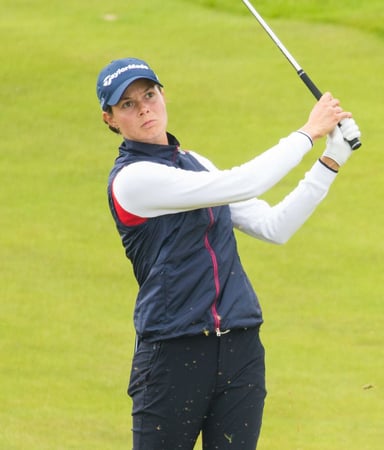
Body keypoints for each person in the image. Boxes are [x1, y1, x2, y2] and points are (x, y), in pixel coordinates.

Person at [96, 57, 360, 449]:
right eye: (128, 105)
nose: (145, 108)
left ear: (162, 95)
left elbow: (275, 226)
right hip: (172, 353)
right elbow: (244, 182)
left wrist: (330, 160)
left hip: (240, 348)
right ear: (111, 119)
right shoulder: (133, 180)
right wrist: (308, 132)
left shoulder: (196, 163)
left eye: (149, 95)